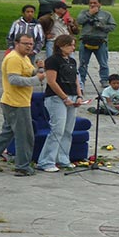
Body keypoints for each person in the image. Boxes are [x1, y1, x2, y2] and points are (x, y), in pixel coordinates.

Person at [0, 35, 46, 176]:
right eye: (25, 43)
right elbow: (14, 79)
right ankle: (22, 166)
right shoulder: (14, 58)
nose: (29, 46)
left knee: (7, 133)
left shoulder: (24, 58)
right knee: (25, 135)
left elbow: (29, 72)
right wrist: (36, 79)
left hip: (19, 101)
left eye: (31, 43)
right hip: (15, 102)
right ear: (16, 43)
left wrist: (39, 70)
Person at [37, 34, 83, 171]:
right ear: (61, 46)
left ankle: (63, 158)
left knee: (68, 130)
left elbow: (76, 79)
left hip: (73, 95)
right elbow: (51, 81)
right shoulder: (52, 61)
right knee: (57, 129)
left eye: (74, 45)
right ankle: (46, 161)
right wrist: (64, 97)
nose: (73, 48)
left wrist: (79, 95)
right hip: (57, 98)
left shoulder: (72, 61)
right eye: (70, 45)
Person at [77, 0, 116, 88]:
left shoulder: (106, 14)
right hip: (85, 41)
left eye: (95, 3)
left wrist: (101, 26)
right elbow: (79, 21)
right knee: (83, 63)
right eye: (90, 3)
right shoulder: (84, 13)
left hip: (100, 41)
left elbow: (113, 26)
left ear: (100, 4)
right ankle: (81, 80)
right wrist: (90, 14)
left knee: (103, 63)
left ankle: (104, 80)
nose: (92, 5)